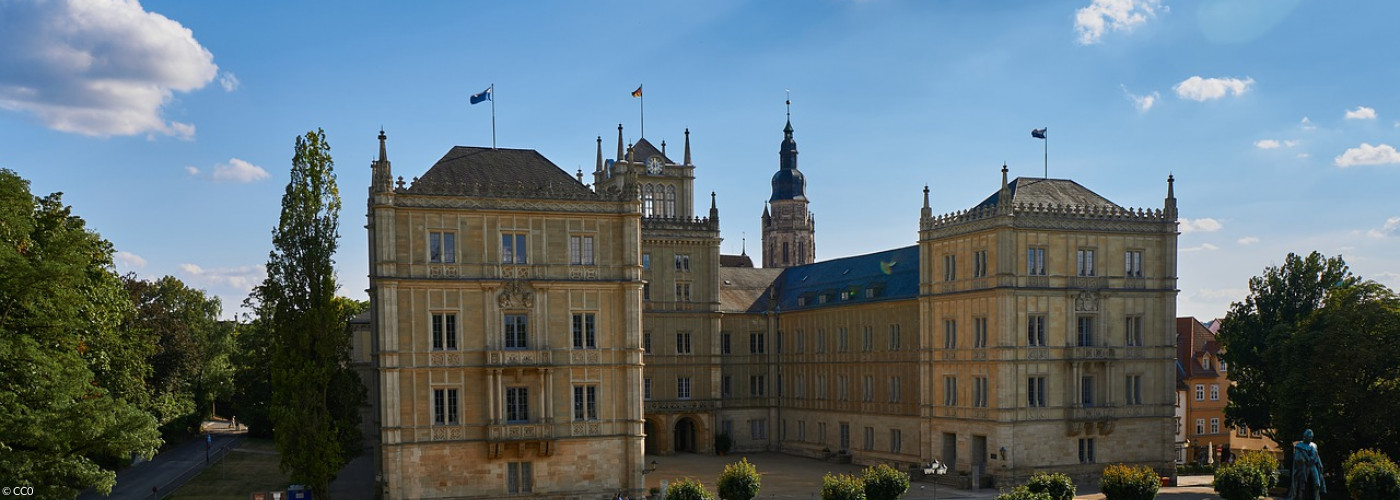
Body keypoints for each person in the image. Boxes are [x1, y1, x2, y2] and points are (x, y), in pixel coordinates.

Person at [1290, 429, 1325, 500]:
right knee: (1302, 485)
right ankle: (1300, 498)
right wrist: (1305, 460)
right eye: (1309, 437)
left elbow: (1317, 456)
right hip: (1304, 467)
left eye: (1311, 437)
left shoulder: (1314, 445)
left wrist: (1320, 464)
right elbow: (1297, 458)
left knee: (1317, 484)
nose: (1310, 439)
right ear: (1305, 437)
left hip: (1313, 466)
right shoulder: (1299, 446)